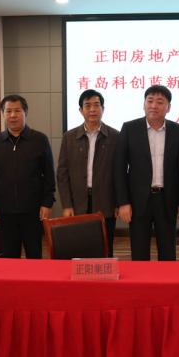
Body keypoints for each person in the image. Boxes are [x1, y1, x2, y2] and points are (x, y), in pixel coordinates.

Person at [114, 85, 179, 260]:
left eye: (160, 102)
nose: (154, 105)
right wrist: (123, 202)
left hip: (167, 199)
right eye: (150, 101)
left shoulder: (178, 131)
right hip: (138, 201)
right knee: (139, 252)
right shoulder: (130, 128)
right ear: (144, 104)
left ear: (168, 107)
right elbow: (119, 167)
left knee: (168, 253)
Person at [0, 94, 55, 260]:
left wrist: (47, 203)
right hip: (4, 211)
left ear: (26, 113)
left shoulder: (39, 139)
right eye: (8, 111)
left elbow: (49, 174)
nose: (13, 115)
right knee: (10, 256)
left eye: (17, 111)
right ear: (3, 114)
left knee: (34, 254)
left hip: (33, 210)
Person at [57, 89, 120, 256]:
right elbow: (62, 174)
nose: (92, 109)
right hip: (78, 202)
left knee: (105, 248)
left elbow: (120, 173)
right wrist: (67, 205)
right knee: (80, 247)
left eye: (96, 105)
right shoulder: (69, 137)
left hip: (106, 201)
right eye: (87, 105)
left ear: (103, 108)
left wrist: (118, 203)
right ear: (81, 110)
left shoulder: (115, 136)